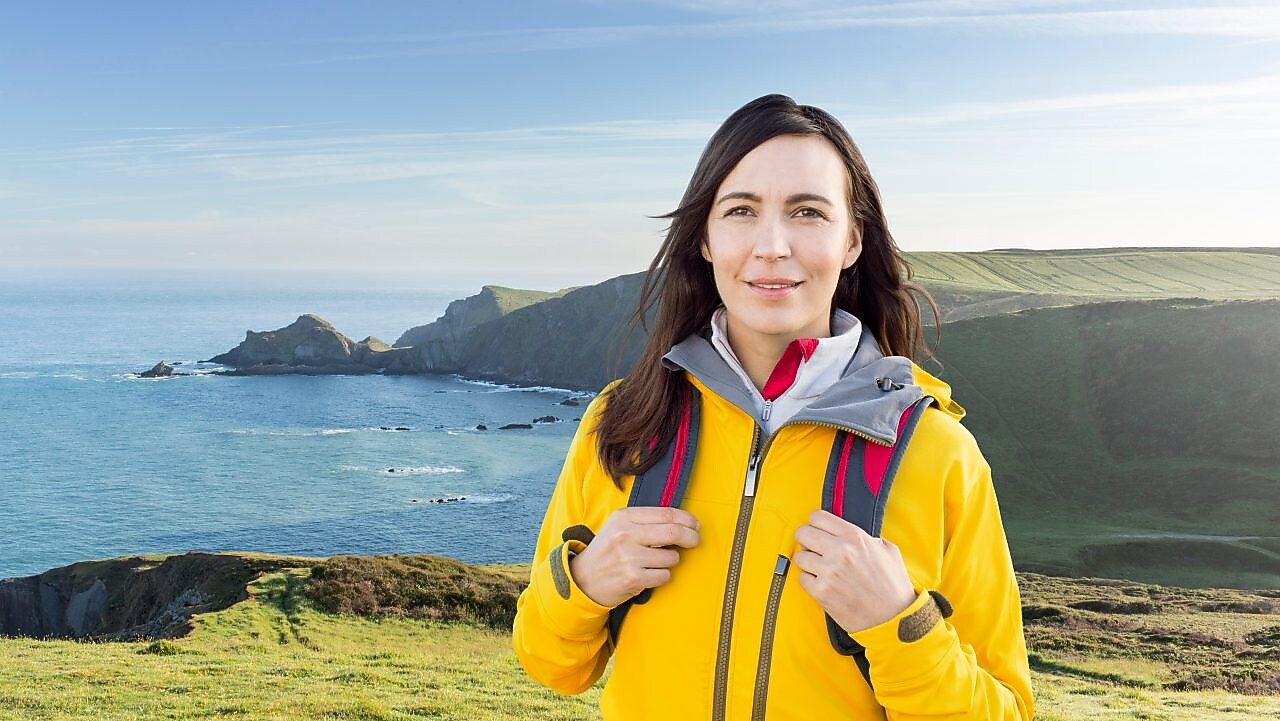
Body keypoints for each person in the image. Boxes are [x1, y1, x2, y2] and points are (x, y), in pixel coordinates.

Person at [511, 93, 1035, 720]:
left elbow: (1008, 710)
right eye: (740, 211)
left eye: (808, 212)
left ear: (852, 242)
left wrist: (900, 623)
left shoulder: (940, 453)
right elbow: (549, 663)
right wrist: (586, 584)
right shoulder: (625, 419)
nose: (772, 245)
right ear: (704, 239)